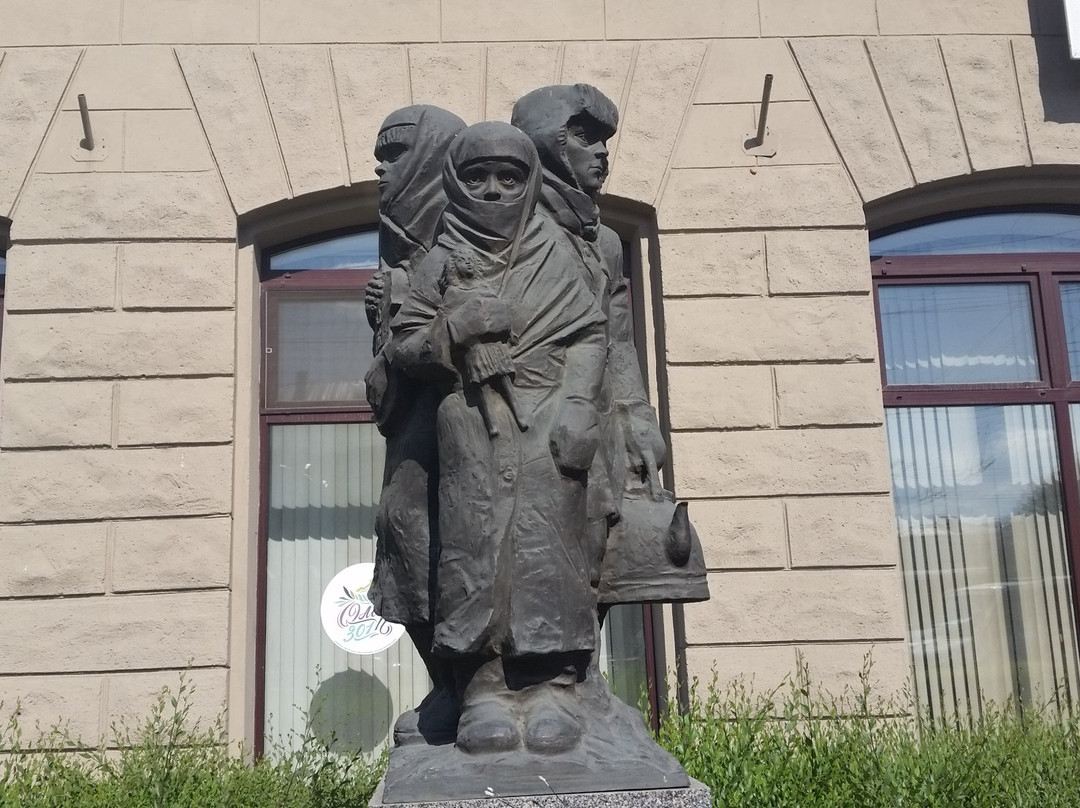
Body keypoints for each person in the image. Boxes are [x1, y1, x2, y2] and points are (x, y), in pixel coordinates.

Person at [389, 121, 612, 754]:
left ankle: (550, 686)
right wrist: (453, 329)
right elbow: (407, 344)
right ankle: (482, 688)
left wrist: (576, 406)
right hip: (469, 426)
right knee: (473, 548)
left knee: (549, 551)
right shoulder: (438, 259)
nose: (492, 189)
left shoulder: (557, 254)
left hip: (549, 428)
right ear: (456, 182)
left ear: (529, 182)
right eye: (478, 176)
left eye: (509, 177)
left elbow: (590, 334)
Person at [511, 85, 706, 611]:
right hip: (532, 422)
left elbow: (618, 339)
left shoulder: (604, 243)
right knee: (536, 560)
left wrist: (638, 417)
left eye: (603, 140)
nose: (600, 152)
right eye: (583, 136)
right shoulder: (516, 230)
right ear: (545, 143)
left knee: (599, 557)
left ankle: (580, 682)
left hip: (599, 428)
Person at [364, 105, 465, 745]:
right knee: (402, 537)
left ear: (430, 158)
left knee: (443, 542)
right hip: (411, 416)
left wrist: (399, 300)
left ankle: (467, 688)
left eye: (397, 152)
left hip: (460, 419)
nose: (383, 167)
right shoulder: (397, 234)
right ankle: (448, 685)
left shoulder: (464, 224)